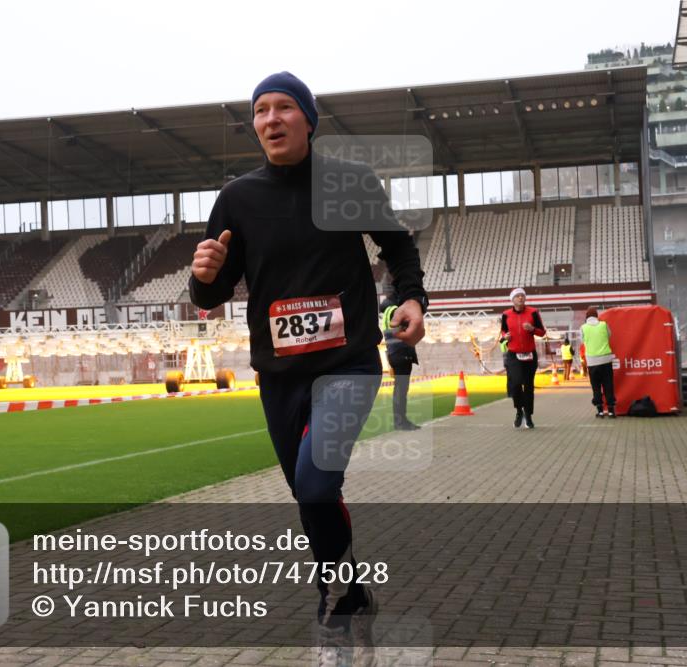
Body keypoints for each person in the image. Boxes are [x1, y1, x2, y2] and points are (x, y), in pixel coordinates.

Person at [189, 72, 427, 664]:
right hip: (278, 375)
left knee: (318, 483)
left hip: (347, 364)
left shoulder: (349, 182)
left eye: (285, 107)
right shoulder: (238, 198)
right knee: (308, 494)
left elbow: (396, 246)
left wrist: (413, 299)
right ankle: (350, 595)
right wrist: (203, 271)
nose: (271, 119)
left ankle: (333, 614)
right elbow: (206, 297)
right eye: (261, 110)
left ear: (309, 120)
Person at [498, 287, 545, 429]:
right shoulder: (506, 315)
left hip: (530, 354)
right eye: (517, 296)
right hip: (514, 355)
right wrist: (504, 337)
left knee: (529, 386)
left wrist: (532, 329)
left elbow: (542, 332)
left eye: (522, 296)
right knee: (516, 384)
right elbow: (503, 332)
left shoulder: (533, 312)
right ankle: (519, 410)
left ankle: (528, 416)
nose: (520, 298)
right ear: (512, 299)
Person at [380, 293, 420, 430]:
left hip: (394, 353)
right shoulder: (396, 311)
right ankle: (401, 421)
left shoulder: (387, 312)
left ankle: (400, 420)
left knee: (399, 389)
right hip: (401, 352)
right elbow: (411, 327)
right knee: (401, 390)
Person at [581, 307, 617, 418]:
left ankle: (600, 411)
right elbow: (609, 335)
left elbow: (583, 341)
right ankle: (611, 411)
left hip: (592, 361)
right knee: (608, 385)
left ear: (587, 317)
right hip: (606, 360)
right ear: (597, 316)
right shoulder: (604, 325)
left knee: (596, 386)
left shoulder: (583, 327)